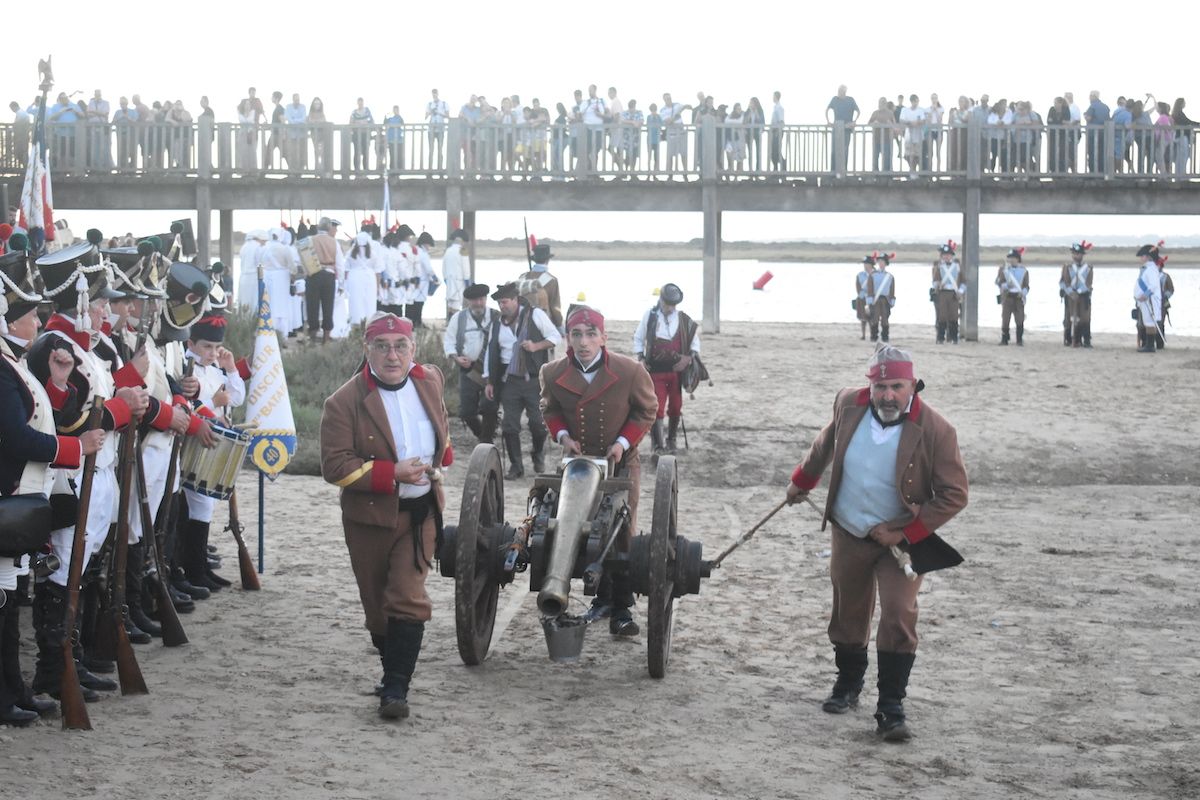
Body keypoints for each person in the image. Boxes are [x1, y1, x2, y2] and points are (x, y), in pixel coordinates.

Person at [786, 345, 968, 743]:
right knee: (848, 609)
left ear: (912, 386)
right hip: (849, 528)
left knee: (900, 613)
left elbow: (954, 494)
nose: (888, 395)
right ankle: (848, 686)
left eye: (897, 387)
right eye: (881, 386)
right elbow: (825, 444)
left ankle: (890, 706)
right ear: (871, 385)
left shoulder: (937, 429)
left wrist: (904, 533)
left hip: (900, 540)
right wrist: (802, 482)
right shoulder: (848, 403)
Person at [26, 235, 150, 700]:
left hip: (100, 471)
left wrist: (128, 400)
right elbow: (68, 418)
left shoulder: (87, 348)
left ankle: (72, 659)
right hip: (72, 476)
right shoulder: (54, 346)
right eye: (98, 302)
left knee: (84, 568)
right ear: (78, 302)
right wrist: (121, 407)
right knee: (62, 573)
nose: (107, 312)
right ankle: (54, 668)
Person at [320, 312, 453, 719]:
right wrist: (391, 474)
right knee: (377, 607)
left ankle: (397, 688)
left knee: (408, 597)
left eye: (400, 346)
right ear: (367, 350)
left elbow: (441, 427)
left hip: (421, 514)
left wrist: (439, 464)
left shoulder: (429, 380)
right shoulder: (343, 401)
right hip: (370, 519)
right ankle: (389, 668)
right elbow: (335, 466)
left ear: (414, 349)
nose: (392, 355)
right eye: (382, 346)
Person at [0, 248, 103, 724]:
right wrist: (72, 449)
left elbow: (43, 417)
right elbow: (17, 436)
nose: (39, 323)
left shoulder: (12, 362)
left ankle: (15, 688)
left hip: (24, 494)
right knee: (3, 601)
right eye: (31, 315)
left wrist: (59, 383)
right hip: (10, 492)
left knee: (8, 598)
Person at [540, 306, 656, 635]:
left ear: (604, 338)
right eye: (576, 334)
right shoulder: (552, 372)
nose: (584, 342)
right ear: (567, 339)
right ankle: (597, 599)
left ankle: (621, 608)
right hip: (577, 464)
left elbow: (647, 409)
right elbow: (548, 408)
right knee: (575, 527)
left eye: (591, 334)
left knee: (621, 533)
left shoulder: (630, 371)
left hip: (619, 462)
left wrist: (622, 442)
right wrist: (563, 436)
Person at [483, 282, 561, 479]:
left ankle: (537, 453)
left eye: (505, 302)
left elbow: (555, 336)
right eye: (500, 303)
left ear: (516, 300)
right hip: (509, 381)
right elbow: (491, 352)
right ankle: (516, 466)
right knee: (510, 425)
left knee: (538, 423)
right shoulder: (497, 323)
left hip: (534, 380)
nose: (502, 306)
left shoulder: (535, 315)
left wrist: (536, 346)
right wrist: (489, 381)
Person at [632, 283, 700, 456]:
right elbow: (638, 338)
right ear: (661, 300)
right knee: (658, 407)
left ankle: (671, 439)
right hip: (655, 371)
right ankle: (658, 443)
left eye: (672, 304)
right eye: (667, 303)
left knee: (676, 407)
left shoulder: (684, 320)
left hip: (676, 373)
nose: (669, 307)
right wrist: (640, 358)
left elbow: (695, 343)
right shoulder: (650, 316)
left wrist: (688, 358)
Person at [443, 283, 498, 444]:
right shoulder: (458, 318)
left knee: (489, 407)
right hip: (468, 369)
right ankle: (483, 435)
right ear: (468, 301)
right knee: (466, 412)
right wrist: (456, 358)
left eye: (481, 299)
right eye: (474, 300)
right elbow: (449, 341)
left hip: (491, 370)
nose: (478, 303)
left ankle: (486, 441)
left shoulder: (497, 317)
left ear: (486, 299)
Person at [308, 217, 345, 343]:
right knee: (328, 307)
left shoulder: (309, 240)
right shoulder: (334, 242)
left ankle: (312, 337)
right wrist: (341, 283)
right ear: (329, 228)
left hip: (313, 274)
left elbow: (301, 259)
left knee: (312, 306)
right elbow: (340, 265)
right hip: (329, 276)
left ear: (318, 227)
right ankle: (326, 337)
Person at [517, 243, 563, 329]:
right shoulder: (552, 280)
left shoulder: (522, 277)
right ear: (547, 260)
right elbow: (555, 308)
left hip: (522, 323)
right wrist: (560, 327)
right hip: (544, 325)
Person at [1059, 241, 1093, 347]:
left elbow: (1088, 283)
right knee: (1069, 318)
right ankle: (1069, 339)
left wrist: (1078, 292)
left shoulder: (1088, 268)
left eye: (1077, 254)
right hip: (1070, 296)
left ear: (1082, 255)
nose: (1075, 256)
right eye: (1074, 253)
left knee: (1085, 319)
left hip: (1083, 296)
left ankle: (1085, 340)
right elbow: (1063, 282)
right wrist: (1070, 292)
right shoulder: (1067, 267)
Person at [930, 241, 965, 344]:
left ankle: (954, 338)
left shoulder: (957, 266)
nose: (946, 257)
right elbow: (935, 280)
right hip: (942, 293)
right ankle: (940, 338)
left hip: (954, 293)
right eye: (944, 255)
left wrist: (961, 291)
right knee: (942, 316)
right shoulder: (939, 267)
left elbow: (964, 281)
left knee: (954, 316)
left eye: (948, 255)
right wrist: (938, 285)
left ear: (951, 256)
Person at [995, 247, 1029, 346]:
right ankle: (1004, 339)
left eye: (1013, 258)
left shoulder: (1024, 271)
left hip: (1018, 297)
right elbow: (999, 282)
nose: (1011, 260)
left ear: (1018, 259)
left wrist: (1023, 293)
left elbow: (1026, 286)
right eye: (1010, 258)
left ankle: (1019, 339)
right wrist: (1006, 286)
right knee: (1005, 318)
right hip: (1008, 296)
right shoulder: (1004, 270)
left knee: (1019, 318)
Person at [1133, 243, 1163, 353]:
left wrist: (1145, 295)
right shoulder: (1148, 268)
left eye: (1143, 256)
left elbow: (1153, 285)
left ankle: (1150, 345)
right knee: (1147, 321)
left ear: (1148, 256)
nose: (1141, 258)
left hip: (1149, 300)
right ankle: (1148, 344)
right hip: (1145, 300)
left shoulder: (1151, 269)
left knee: (1150, 322)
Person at [345, 231, 379, 327]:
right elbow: (378, 270)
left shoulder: (351, 252)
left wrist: (345, 284)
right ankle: (369, 323)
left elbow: (346, 269)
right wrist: (378, 286)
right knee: (369, 302)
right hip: (370, 279)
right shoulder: (373, 253)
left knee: (356, 301)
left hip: (354, 278)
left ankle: (356, 322)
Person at [826, 85, 859, 172]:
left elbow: (858, 111)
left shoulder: (850, 100)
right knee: (834, 150)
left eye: (841, 91)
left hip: (847, 129)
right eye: (839, 90)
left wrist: (854, 122)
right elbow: (827, 110)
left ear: (845, 91)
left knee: (845, 150)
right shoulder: (835, 99)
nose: (839, 92)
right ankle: (833, 171)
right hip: (836, 129)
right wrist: (829, 122)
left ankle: (843, 170)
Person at [409, 232, 438, 328]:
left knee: (412, 302)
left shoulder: (414, 250)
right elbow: (428, 268)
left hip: (413, 281)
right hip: (422, 282)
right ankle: (417, 322)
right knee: (419, 303)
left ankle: (412, 322)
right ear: (425, 243)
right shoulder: (423, 254)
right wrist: (434, 277)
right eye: (429, 245)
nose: (429, 247)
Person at [868, 253, 896, 343]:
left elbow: (892, 290)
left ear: (886, 263)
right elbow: (870, 289)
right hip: (875, 300)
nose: (881, 263)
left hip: (885, 300)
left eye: (882, 261)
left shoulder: (890, 276)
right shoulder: (872, 275)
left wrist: (892, 301)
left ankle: (885, 336)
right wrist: (870, 301)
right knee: (874, 319)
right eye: (879, 261)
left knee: (885, 319)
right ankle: (874, 336)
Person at [442, 229, 469, 319]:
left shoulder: (448, 251)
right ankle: (454, 324)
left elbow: (444, 267)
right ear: (462, 241)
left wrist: (445, 279)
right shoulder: (463, 251)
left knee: (450, 303)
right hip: (459, 281)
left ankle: (449, 321)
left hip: (449, 280)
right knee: (457, 304)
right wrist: (467, 282)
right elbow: (466, 269)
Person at [349, 98, 374, 172]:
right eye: (359, 103)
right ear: (357, 103)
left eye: (361, 103)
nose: (360, 104)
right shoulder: (354, 112)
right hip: (356, 134)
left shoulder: (367, 111)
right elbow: (351, 122)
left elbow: (372, 120)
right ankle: (357, 169)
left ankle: (365, 170)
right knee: (356, 152)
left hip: (365, 134)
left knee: (365, 152)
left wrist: (368, 125)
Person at [426, 89, 449, 170]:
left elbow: (447, 116)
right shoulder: (429, 104)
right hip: (431, 130)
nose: (434, 95)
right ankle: (430, 169)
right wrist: (430, 112)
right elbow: (425, 117)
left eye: (435, 93)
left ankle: (440, 168)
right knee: (431, 150)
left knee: (440, 150)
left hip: (440, 129)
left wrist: (439, 113)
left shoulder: (444, 104)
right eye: (433, 93)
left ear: (438, 94)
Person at [284, 93, 307, 171]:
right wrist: (297, 121)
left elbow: (303, 118)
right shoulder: (288, 107)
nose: (297, 101)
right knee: (292, 153)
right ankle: (292, 170)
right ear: (293, 99)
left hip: (301, 135)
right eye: (295, 99)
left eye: (298, 99)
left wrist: (294, 120)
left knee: (301, 153)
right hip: (291, 135)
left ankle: (300, 170)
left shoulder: (303, 107)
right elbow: (288, 119)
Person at [854, 255, 874, 339]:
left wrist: (870, 298)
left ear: (871, 265)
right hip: (862, 299)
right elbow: (858, 287)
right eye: (864, 264)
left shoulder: (876, 274)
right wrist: (863, 296)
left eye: (867, 264)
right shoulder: (860, 275)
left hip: (873, 298)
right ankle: (863, 335)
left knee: (872, 318)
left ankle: (873, 334)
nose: (865, 266)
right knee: (863, 318)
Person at [1156, 255, 1173, 350]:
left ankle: (1159, 343)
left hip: (1162, 303)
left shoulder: (1166, 277)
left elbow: (1171, 290)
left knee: (1161, 323)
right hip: (1150, 301)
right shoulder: (1150, 276)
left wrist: (1164, 295)